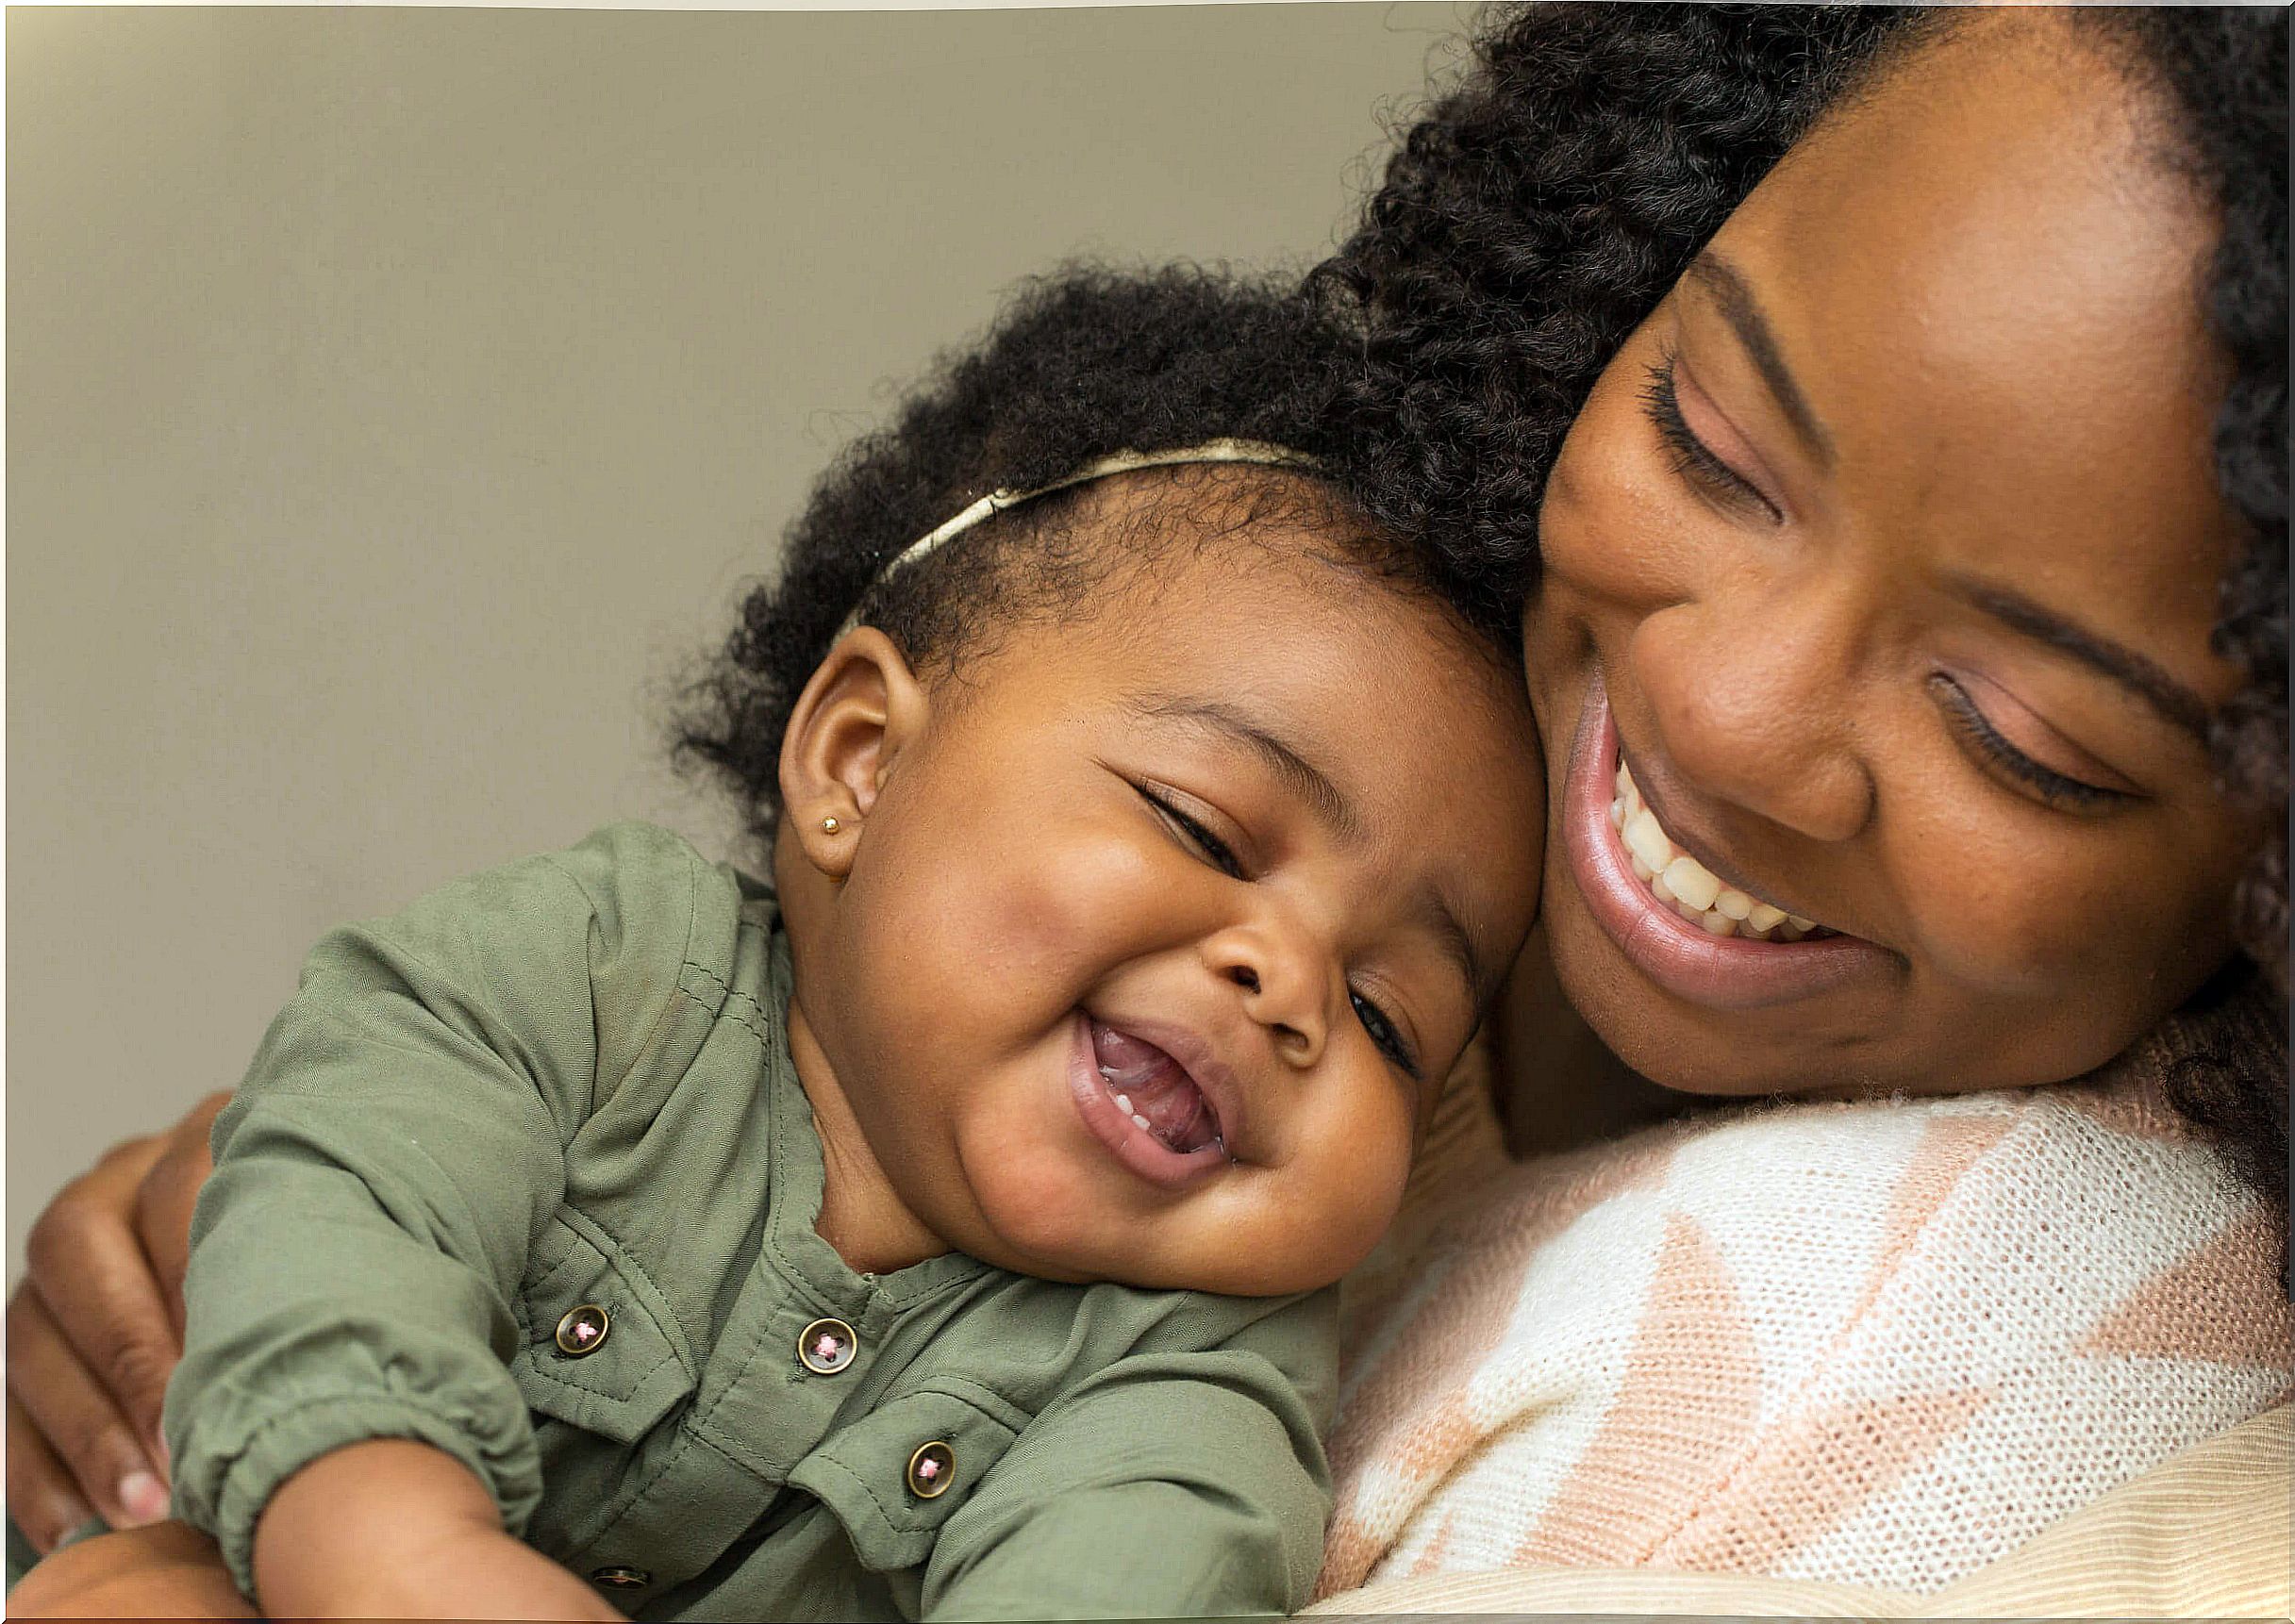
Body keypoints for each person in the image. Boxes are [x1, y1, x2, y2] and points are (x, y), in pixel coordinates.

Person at [12, 0, 2288, 1600]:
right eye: (1704, 437)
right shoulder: (1334, 673)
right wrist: (311, 1258)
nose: (1721, 706)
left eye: (2028, 735)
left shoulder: (2031, 1309)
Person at [8, 268, 1547, 1618]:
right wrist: (393, 1552)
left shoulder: (1194, 1370)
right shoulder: (595, 973)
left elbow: (1136, 1573)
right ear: (860, 761)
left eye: (1387, 1013)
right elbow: (348, 1200)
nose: (1287, 987)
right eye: (1207, 829)